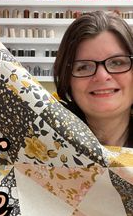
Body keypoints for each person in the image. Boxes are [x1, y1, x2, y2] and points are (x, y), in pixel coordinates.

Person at [54, 11, 133, 147]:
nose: (102, 76)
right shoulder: (40, 142)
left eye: (117, 62)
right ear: (67, 80)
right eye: (84, 67)